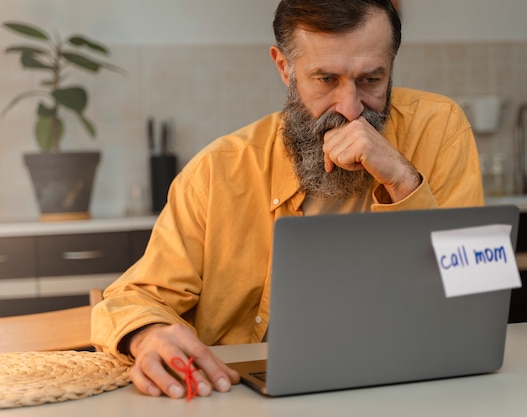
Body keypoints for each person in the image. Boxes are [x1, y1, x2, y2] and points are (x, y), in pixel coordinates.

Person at [91, 0, 484, 399]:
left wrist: (402, 178)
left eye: (370, 80)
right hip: (241, 398)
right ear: (285, 68)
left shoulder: (441, 128)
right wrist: (148, 335)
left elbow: (479, 288)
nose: (350, 110)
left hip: (409, 384)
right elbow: (131, 298)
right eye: (326, 79)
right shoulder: (217, 171)